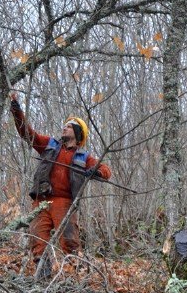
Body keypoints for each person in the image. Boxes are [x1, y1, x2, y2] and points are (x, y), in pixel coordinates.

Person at [10, 93, 112, 278]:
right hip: (41, 201)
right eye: (64, 126)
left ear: (78, 133)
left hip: (64, 203)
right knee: (37, 239)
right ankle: (43, 277)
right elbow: (27, 133)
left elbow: (106, 171)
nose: (64, 128)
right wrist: (17, 111)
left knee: (69, 241)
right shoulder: (49, 144)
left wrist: (95, 171)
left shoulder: (83, 157)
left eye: (69, 127)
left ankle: (79, 278)